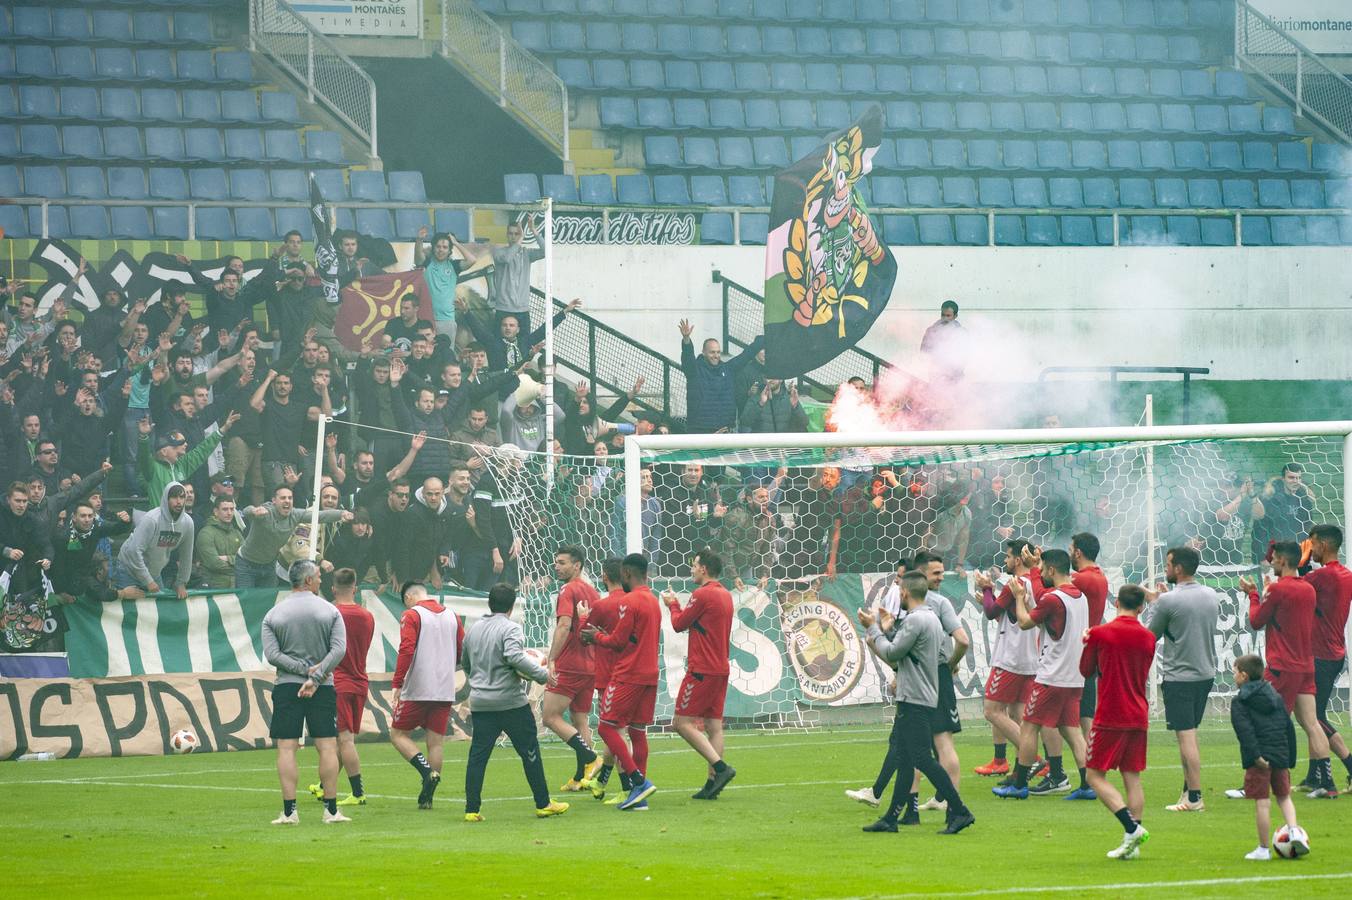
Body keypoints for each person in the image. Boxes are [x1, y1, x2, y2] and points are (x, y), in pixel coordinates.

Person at [858, 570, 975, 835]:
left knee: (921, 757)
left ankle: (960, 810)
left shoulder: (915, 621)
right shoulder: (931, 619)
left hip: (914, 697)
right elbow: (908, 655)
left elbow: (893, 653)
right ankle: (891, 818)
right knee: (905, 758)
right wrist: (886, 631)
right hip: (923, 694)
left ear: (904, 593)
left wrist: (873, 629)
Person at [462, 582, 570, 821]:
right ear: (511, 607)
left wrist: (482, 680)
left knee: (478, 756)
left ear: (490, 603)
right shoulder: (511, 628)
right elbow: (514, 657)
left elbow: (466, 663)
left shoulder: (473, 629)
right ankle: (543, 803)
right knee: (530, 750)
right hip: (510, 702)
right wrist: (544, 675)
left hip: (480, 702)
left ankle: (472, 810)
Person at [994, 548, 1090, 800]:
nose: (1042, 574)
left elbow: (1025, 622)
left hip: (1051, 676)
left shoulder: (1053, 598)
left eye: (1043, 568)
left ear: (1051, 570)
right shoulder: (1081, 596)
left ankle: (1019, 785)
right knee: (1072, 730)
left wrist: (1018, 597)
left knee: (1028, 727)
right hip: (1074, 675)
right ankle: (1087, 785)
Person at [261, 559, 349, 825]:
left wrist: (299, 670)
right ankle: (331, 810)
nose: (322, 580)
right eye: (319, 576)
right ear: (309, 581)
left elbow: (272, 654)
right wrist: (316, 675)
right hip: (322, 686)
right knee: (327, 746)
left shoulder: (273, 614)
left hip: (287, 686)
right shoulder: (330, 611)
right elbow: (339, 650)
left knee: (286, 748)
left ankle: (290, 812)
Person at [1240, 541, 1330, 797]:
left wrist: (1254, 594)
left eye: (1274, 559)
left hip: (1282, 667)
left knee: (1268, 724)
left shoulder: (1279, 590)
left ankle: (1260, 783)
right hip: (1305, 664)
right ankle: (1328, 784)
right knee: (1311, 723)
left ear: (1282, 561)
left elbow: (1256, 621)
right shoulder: (1308, 589)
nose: (1271, 563)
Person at [1081, 584, 1156, 861]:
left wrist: (1088, 643)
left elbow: (1086, 670)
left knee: (1093, 776)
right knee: (1131, 777)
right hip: (1138, 714)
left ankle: (1131, 828)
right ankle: (1131, 845)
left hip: (1111, 715)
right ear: (1140, 607)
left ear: (1115, 603)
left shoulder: (1101, 633)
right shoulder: (1148, 637)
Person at [581, 552, 660, 811]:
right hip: (650, 674)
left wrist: (596, 637)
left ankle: (638, 781)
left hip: (628, 674)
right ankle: (640, 797)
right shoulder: (653, 600)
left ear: (626, 573)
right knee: (637, 732)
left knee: (606, 728)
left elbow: (617, 641)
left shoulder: (631, 600)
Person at [1143, 546, 1220, 813]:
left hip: (1180, 677)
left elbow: (1150, 636)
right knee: (1190, 733)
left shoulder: (1168, 601)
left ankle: (1195, 797)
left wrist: (1154, 603)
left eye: (1168, 564)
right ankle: (1187, 790)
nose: (1165, 568)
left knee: (1186, 738)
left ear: (1178, 568)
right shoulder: (1211, 595)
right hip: (1206, 674)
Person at [662, 547, 738, 799]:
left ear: (704, 569)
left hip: (701, 669)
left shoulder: (702, 594)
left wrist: (673, 604)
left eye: (694, 565)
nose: (692, 569)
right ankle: (711, 785)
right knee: (714, 726)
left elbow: (678, 624)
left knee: (681, 723)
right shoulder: (725, 594)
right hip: (720, 668)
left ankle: (721, 768)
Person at [389, 581, 463, 810]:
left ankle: (426, 772)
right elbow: (461, 650)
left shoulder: (412, 615)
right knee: (436, 743)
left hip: (419, 687)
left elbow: (407, 648)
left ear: (409, 597)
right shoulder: (453, 615)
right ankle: (428, 797)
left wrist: (398, 682)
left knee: (398, 734)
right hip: (444, 687)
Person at [973, 539, 1042, 779]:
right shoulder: (1035, 584)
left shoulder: (1015, 584)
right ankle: (1019, 765)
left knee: (992, 711)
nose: (1005, 560)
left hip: (1010, 659)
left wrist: (987, 588)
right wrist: (990, 597)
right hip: (1030, 659)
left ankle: (1033, 760)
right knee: (1017, 714)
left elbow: (992, 612)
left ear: (1019, 559)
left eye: (1008, 556)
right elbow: (1004, 612)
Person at [307, 568, 373, 808]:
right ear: (355, 588)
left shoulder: (331, 614)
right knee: (343, 739)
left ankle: (357, 793)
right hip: (360, 681)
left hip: (338, 683)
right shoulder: (367, 616)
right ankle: (324, 784)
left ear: (333, 589)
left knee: (344, 740)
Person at [1230, 653, 1306, 860]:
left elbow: (1245, 732)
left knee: (1262, 802)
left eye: (1235, 672)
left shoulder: (1240, 702)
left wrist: (1255, 756)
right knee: (1284, 796)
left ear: (1244, 676)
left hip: (1260, 759)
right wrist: (1290, 757)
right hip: (1280, 754)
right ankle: (1294, 831)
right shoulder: (1275, 695)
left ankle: (1263, 849)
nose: (1233, 676)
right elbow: (1288, 727)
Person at [542, 545, 603, 792]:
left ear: (577, 566)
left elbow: (564, 625)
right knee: (580, 720)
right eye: (556, 562)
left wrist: (552, 657)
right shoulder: (593, 592)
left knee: (549, 717)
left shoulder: (568, 589)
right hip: (591, 665)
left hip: (570, 664)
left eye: (562, 562)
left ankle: (590, 758)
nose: (557, 566)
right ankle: (581, 778)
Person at [1302, 524, 1352, 792]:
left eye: (1311, 544)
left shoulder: (1323, 576)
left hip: (1320, 656)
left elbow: (1295, 586)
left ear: (1322, 544)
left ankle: (1350, 766)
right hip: (1334, 653)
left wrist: (1300, 565)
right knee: (1311, 715)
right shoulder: (1346, 575)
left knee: (1314, 717)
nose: (1309, 549)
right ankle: (1313, 775)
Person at [236, 484, 351, 589]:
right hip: (247, 564)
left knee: (267, 604)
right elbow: (246, 511)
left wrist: (341, 514)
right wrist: (253, 510)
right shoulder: (265, 512)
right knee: (246, 603)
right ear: (274, 501)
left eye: (290, 498)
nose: (287, 501)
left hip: (269, 565)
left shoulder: (295, 514)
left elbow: (320, 516)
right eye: (283, 498)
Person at [580, 556, 626, 802]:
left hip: (609, 676)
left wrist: (582, 617)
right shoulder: (636, 602)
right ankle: (603, 780)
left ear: (604, 577)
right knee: (619, 731)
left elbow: (583, 634)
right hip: (634, 673)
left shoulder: (602, 606)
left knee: (613, 732)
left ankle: (632, 786)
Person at [677, 318, 765, 434]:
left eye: (718, 352)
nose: (716, 355)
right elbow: (688, 358)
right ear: (703, 352)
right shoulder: (694, 370)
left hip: (725, 429)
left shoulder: (728, 369)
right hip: (700, 430)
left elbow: (746, 355)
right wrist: (686, 339)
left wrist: (767, 335)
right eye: (712, 352)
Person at [111, 482, 193, 600]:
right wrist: (148, 581)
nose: (179, 501)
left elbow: (187, 555)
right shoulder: (152, 519)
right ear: (166, 499)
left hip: (154, 572)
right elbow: (134, 551)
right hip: (128, 569)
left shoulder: (188, 523)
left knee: (160, 607)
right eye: (174, 497)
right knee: (129, 613)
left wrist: (181, 583)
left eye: (182, 497)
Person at [1070, 533, 1109, 741]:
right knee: (1085, 710)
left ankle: (1054, 764)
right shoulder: (1100, 576)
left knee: (1055, 710)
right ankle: (1093, 759)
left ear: (1078, 552)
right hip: (1090, 648)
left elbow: (1047, 586)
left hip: (1075, 651)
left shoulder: (1081, 578)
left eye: (1070, 550)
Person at [195, 496, 243, 589]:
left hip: (236, 587)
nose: (229, 513)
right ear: (216, 512)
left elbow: (246, 558)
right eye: (225, 509)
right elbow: (214, 564)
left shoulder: (236, 533)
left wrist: (228, 559)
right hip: (214, 588)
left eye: (232, 509)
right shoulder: (206, 533)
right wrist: (241, 568)